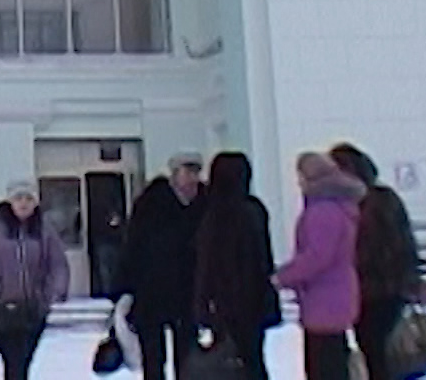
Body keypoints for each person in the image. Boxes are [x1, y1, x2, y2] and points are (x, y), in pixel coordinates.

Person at [329, 144, 420, 380]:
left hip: (369, 288)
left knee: (374, 350)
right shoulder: (387, 198)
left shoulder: (354, 204)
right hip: (391, 287)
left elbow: (361, 247)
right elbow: (405, 243)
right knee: (381, 352)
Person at [0, 181, 70, 380]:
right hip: (1, 307)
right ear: (9, 201)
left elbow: (57, 263)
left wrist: (52, 293)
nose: (23, 204)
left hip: (32, 308)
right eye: (18, 198)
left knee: (23, 363)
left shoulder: (43, 229)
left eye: (28, 199)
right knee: (14, 363)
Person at [276, 151, 367, 380]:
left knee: (323, 366)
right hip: (338, 295)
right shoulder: (341, 206)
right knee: (334, 360)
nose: (298, 182)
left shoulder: (322, 210)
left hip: (323, 299)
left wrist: (283, 276)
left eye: (301, 175)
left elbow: (317, 256)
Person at [193, 152, 281, 380]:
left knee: (227, 358)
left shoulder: (212, 213)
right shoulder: (253, 210)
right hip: (253, 299)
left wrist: (202, 302)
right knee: (252, 359)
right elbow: (263, 259)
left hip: (224, 300)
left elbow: (207, 262)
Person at [121, 151, 207, 379]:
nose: (192, 178)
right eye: (187, 172)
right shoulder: (151, 203)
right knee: (153, 357)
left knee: (188, 356)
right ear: (174, 174)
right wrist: (127, 287)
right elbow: (133, 245)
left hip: (189, 290)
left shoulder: (204, 204)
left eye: (195, 172)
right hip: (152, 290)